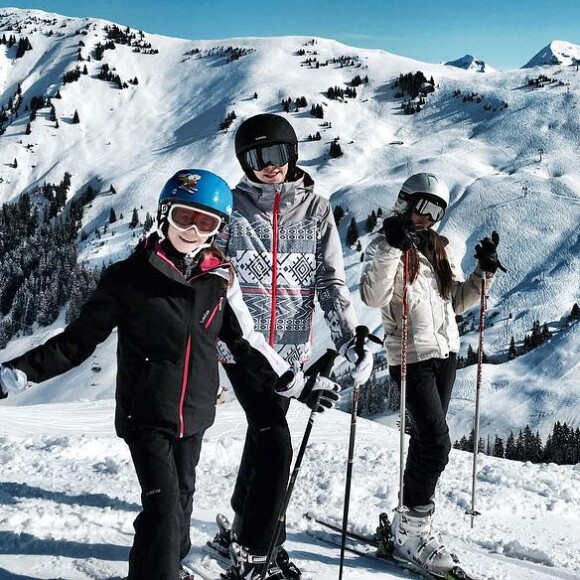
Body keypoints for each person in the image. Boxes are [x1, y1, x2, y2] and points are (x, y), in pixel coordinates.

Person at [0, 169, 341, 580]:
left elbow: (247, 344)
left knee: (180, 501)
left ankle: (170, 558)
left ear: (218, 228)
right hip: (145, 415)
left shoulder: (219, 279)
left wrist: (299, 385)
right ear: (165, 215)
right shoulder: (128, 278)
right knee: (162, 508)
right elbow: (77, 342)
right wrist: (14, 375)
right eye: (184, 218)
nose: (193, 231)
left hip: (194, 416)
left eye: (206, 223)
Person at [209, 113, 373, 580]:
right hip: (242, 348)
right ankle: (258, 551)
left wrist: (349, 339)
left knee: (264, 436)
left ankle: (241, 529)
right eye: (257, 157)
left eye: (277, 154)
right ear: (244, 161)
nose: (269, 166)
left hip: (291, 353)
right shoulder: (231, 209)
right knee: (276, 443)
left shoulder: (317, 210)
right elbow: (213, 275)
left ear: (292, 154)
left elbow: (330, 280)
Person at [359, 172, 503, 577]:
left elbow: (456, 301)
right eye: (422, 207)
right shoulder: (384, 245)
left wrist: (482, 273)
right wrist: (391, 246)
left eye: (436, 210)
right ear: (405, 203)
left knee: (425, 441)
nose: (428, 217)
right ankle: (414, 527)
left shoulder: (439, 248)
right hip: (410, 357)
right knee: (438, 445)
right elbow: (373, 296)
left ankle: (409, 524)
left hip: (445, 355)